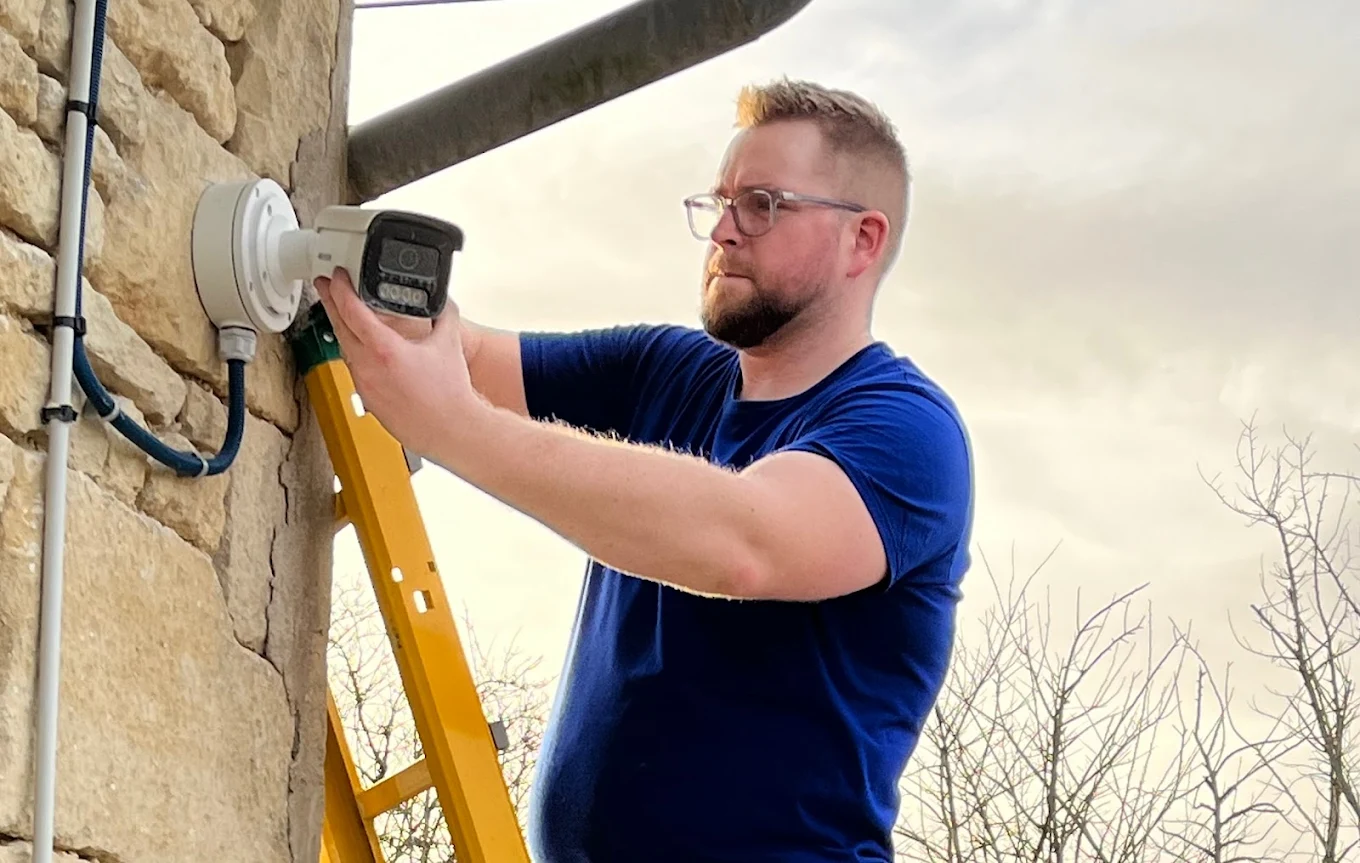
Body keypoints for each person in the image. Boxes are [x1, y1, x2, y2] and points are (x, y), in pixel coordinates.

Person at [315, 77, 975, 863]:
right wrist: (340, 275)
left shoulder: (907, 431)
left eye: (763, 205)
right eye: (720, 202)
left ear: (862, 240)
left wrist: (454, 426)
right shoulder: (665, 370)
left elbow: (743, 543)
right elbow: (468, 357)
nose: (724, 231)